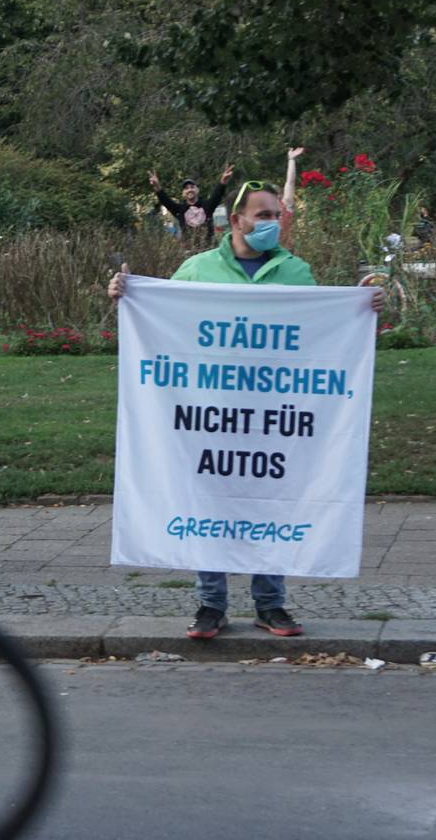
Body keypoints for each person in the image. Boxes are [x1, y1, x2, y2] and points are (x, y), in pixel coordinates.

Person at [108, 182, 383, 642]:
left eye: (276, 215)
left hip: (274, 418)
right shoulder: (198, 270)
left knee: (271, 497)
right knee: (208, 499)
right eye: (263, 215)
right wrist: (126, 293)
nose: (272, 223)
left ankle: (270, 604)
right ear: (236, 221)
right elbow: (166, 321)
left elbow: (319, 333)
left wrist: (360, 308)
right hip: (210, 415)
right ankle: (210, 605)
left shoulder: (295, 272)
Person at [148, 164, 232, 247]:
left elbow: (217, 195)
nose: (189, 190)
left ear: (197, 190)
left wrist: (223, 181)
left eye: (192, 187)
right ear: (183, 193)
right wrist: (157, 186)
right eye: (186, 188)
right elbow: (166, 201)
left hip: (209, 249)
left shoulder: (207, 206)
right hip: (190, 251)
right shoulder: (180, 210)